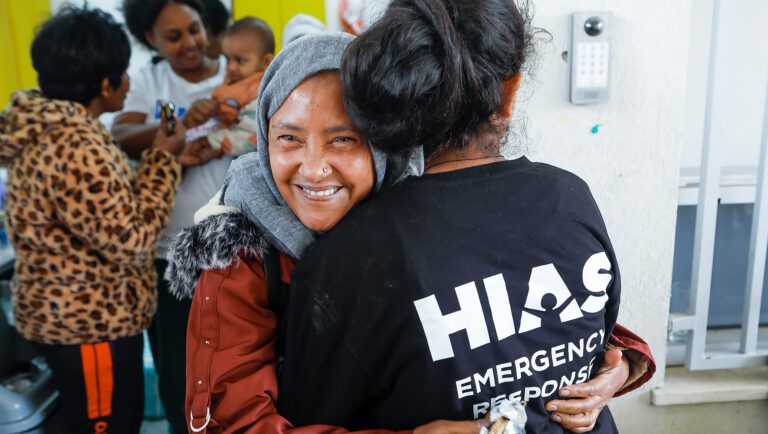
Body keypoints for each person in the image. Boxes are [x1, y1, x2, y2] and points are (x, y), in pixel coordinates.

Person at [167, 33, 653, 434]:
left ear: (383, 145)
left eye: (344, 139)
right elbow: (231, 424)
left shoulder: (404, 219)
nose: (313, 169)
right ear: (263, 137)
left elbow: (518, 300)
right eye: (288, 138)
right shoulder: (241, 257)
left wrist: (619, 361)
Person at [0, 6, 186, 434]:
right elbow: (132, 237)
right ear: (107, 83)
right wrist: (162, 159)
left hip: (69, 320)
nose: (128, 82)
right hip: (89, 325)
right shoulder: (76, 144)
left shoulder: (50, 129)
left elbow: (98, 212)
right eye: (124, 73)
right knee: (108, 426)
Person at [115, 1, 230, 432]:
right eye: (174, 36)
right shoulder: (152, 81)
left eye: (195, 29)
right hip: (171, 256)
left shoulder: (232, 72)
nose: (190, 43)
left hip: (233, 249)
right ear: (151, 40)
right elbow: (121, 134)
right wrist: (175, 126)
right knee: (179, 367)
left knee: (234, 358)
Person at [201, 17, 275, 156]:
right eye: (228, 59)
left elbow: (254, 134)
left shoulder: (264, 90)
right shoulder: (236, 81)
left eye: (240, 61)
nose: (231, 67)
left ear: (266, 62)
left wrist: (213, 141)